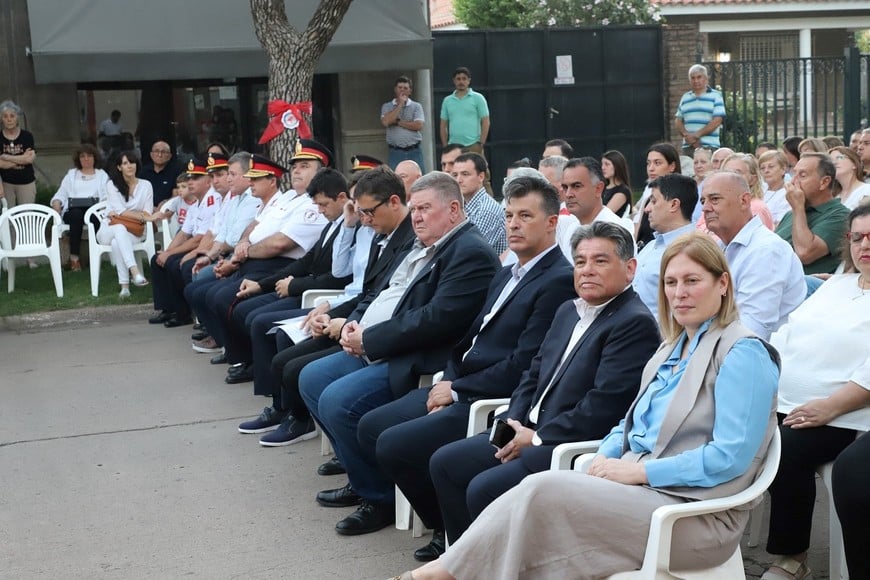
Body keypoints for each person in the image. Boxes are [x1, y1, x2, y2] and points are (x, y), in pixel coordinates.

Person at [398, 232, 780, 580]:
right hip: (640, 494)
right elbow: (628, 424)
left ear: (723, 284)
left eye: (692, 281)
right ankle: (443, 574)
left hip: (693, 517)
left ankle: (439, 575)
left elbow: (730, 458)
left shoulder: (742, 353)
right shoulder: (671, 348)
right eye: (670, 282)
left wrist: (640, 473)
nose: (679, 293)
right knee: (534, 499)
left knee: (541, 493)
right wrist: (607, 456)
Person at [363, 175, 575, 560]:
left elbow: (523, 363)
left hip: (488, 395)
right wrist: (449, 376)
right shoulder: (508, 271)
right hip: (461, 382)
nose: (512, 223)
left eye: (525, 215)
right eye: (509, 215)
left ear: (551, 223)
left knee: (395, 443)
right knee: (373, 426)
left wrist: (458, 390)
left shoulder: (557, 279)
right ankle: (444, 524)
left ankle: (454, 536)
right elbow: (469, 336)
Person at [428, 222, 660, 544]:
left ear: (630, 268)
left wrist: (536, 437)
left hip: (561, 443)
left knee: (482, 487)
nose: (587, 270)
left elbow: (602, 407)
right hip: (524, 427)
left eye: (600, 261)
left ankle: (491, 562)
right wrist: (513, 421)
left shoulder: (633, 323)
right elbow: (533, 373)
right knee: (446, 463)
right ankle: (461, 557)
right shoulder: (569, 310)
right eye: (580, 262)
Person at [299, 171, 501, 537]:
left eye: (426, 209)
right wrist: (352, 324)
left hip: (415, 357)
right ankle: (363, 478)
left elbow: (436, 321)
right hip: (377, 342)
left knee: (337, 400)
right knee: (311, 378)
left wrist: (370, 339)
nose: (417, 217)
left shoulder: (470, 252)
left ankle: (377, 497)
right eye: (415, 208)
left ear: (454, 210)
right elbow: (383, 293)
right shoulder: (424, 245)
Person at [762, 204, 870, 580]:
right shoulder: (837, 284)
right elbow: (791, 330)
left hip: (846, 415)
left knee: (785, 448)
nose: (864, 245)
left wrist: (829, 407)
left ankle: (791, 556)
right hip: (787, 401)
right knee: (738, 433)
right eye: (857, 237)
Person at [701, 171, 805, 340]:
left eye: (715, 199)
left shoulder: (766, 250)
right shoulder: (720, 247)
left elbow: (751, 330)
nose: (705, 208)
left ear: (744, 201)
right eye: (703, 201)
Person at [634, 173, 698, 319]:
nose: (647, 209)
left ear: (674, 205)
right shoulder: (650, 246)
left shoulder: (693, 250)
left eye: (653, 201)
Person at [775, 152, 851, 274]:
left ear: (824, 182)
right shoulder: (791, 214)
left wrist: (798, 207)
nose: (794, 181)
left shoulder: (841, 215)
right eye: (794, 174)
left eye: (802, 175)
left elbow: (804, 253)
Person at [95, 150, 153, 297]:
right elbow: (121, 212)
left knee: (117, 242)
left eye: (132, 162)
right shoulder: (112, 185)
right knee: (119, 228)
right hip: (107, 229)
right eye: (125, 163)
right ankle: (135, 272)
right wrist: (139, 216)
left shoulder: (146, 185)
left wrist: (132, 215)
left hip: (135, 231)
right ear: (119, 167)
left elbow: (147, 213)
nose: (129, 166)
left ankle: (125, 288)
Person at [49, 144, 110, 271]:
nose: (86, 159)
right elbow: (61, 193)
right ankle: (74, 258)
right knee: (76, 215)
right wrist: (56, 203)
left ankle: (95, 256)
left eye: (89, 156)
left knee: (93, 217)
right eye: (83, 156)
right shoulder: (72, 175)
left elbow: (107, 195)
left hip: (94, 209)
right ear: (78, 159)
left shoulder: (102, 175)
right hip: (74, 210)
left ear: (95, 158)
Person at [450, 152, 507, 254]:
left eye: (465, 174)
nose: (458, 180)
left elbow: (469, 252)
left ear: (481, 177)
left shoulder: (487, 210)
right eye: (455, 175)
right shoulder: (463, 206)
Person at [633, 143, 681, 249]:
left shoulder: (680, 199)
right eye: (648, 163)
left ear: (672, 166)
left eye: (657, 163)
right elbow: (637, 233)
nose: (651, 168)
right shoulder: (647, 199)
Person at [674, 64, 726, 154]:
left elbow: (717, 120)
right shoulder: (685, 97)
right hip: (688, 147)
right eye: (693, 78)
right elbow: (678, 121)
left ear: (706, 78)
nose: (696, 80)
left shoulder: (716, 96)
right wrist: (687, 135)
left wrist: (696, 135)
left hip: (709, 146)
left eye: (699, 77)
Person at [439, 67, 489, 153]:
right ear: (454, 81)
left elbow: (485, 121)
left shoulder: (478, 98)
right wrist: (445, 146)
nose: (461, 82)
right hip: (453, 147)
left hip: (473, 145)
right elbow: (443, 125)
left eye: (464, 79)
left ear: (469, 80)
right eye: (458, 79)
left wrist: (481, 143)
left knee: (479, 167)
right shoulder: (447, 101)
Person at [381, 75, 425, 172]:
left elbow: (418, 125)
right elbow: (386, 122)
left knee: (419, 179)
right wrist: (400, 104)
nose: (402, 90)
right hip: (396, 152)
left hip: (414, 150)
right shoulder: (387, 106)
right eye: (400, 88)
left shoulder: (417, 106)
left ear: (410, 91)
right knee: (394, 180)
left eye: (405, 88)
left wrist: (398, 122)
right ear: (395, 89)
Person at [0, 100, 37, 210]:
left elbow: (29, 159)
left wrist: (7, 157)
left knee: (27, 215)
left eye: (12, 116)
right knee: (7, 217)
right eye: (5, 116)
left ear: (17, 118)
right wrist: (21, 158)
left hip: (26, 182)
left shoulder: (27, 136)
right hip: (6, 183)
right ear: (2, 119)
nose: (9, 119)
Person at [139, 140, 182, 207]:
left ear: (170, 156)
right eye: (156, 151)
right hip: (145, 210)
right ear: (151, 154)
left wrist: (165, 205)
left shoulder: (176, 172)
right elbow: (139, 194)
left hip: (168, 209)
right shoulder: (143, 172)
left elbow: (177, 194)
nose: (160, 155)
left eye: (163, 152)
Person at [830, 145, 870, 210]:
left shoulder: (867, 190)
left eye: (840, 157)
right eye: (830, 160)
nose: (834, 162)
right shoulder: (833, 196)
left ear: (854, 164)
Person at [759, 150, 791, 226]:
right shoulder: (760, 189)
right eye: (762, 168)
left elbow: (780, 224)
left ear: (783, 169)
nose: (766, 171)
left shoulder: (787, 193)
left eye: (771, 167)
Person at [601, 150, 632, 217]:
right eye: (602, 164)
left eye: (607, 164)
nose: (603, 168)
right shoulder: (603, 187)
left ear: (617, 166)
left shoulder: (622, 191)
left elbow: (605, 215)